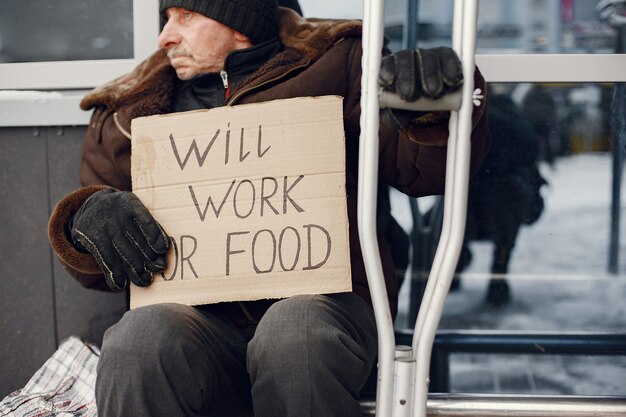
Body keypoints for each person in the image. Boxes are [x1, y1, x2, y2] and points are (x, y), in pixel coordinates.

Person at [47, 1, 490, 416]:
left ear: (236, 21)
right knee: (137, 341)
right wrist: (88, 219)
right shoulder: (129, 109)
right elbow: (92, 270)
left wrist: (433, 107)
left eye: (184, 17)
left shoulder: (338, 64)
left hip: (323, 305)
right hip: (197, 321)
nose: (165, 37)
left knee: (295, 334)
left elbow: (423, 171)